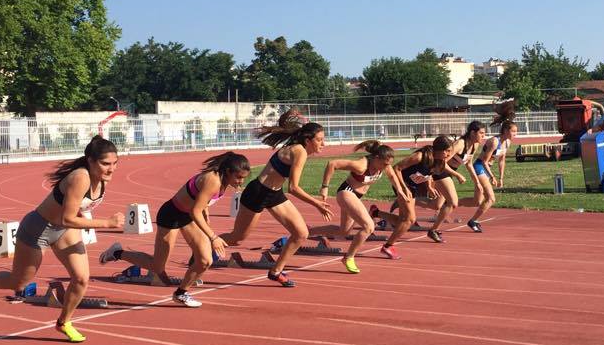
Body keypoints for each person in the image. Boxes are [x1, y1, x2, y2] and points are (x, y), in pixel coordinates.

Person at [0, 136, 123, 343]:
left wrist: (82, 214)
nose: (111, 169)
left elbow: (72, 212)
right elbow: (67, 218)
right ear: (90, 161)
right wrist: (107, 224)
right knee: (19, 282)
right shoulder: (81, 177)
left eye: (115, 164)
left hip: (63, 230)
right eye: (105, 164)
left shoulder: (101, 179)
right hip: (37, 230)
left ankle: (63, 322)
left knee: (82, 279)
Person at [98, 153, 252, 306]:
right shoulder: (213, 180)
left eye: (244, 177)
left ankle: (181, 293)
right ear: (227, 171)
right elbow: (195, 211)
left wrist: (206, 210)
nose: (241, 181)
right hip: (171, 216)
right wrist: (213, 237)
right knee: (157, 266)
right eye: (238, 177)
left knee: (205, 260)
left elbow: (200, 202)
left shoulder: (223, 181)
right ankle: (117, 253)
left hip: (187, 217)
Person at [219, 109, 332, 287]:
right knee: (237, 238)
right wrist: (316, 203)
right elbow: (293, 188)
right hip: (258, 193)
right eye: (319, 140)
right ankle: (205, 247)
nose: (323, 143)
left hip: (274, 193)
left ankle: (276, 271)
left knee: (301, 233)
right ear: (308, 140)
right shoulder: (300, 151)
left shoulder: (300, 150)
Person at [308, 140, 410, 272]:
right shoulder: (361, 165)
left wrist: (401, 191)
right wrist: (325, 187)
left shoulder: (384, 165)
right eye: (384, 164)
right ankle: (349, 257)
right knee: (368, 226)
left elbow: (392, 175)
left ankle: (306, 232)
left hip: (356, 197)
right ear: (376, 158)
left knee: (343, 231)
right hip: (347, 193)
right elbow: (332, 163)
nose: (386, 167)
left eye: (388, 164)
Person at [379, 135, 461, 244]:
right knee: (409, 220)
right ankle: (388, 246)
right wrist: (403, 188)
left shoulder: (438, 160)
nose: (449, 154)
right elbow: (396, 168)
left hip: (412, 187)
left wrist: (429, 187)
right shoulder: (419, 156)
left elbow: (427, 173)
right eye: (447, 151)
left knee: (404, 220)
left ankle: (376, 213)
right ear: (438, 150)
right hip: (402, 185)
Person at [450, 120, 490, 232]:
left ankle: (442, 211)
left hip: (451, 171)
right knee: (435, 204)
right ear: (472, 133)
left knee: (476, 201)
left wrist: (477, 183)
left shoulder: (475, 145)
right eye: (481, 133)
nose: (484, 136)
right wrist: (457, 175)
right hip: (440, 171)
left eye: (484, 133)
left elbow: (468, 163)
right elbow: (441, 162)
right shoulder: (459, 144)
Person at [480, 101, 517, 189]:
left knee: (481, 199)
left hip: (487, 168)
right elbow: (484, 162)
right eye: (513, 131)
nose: (516, 134)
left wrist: (501, 178)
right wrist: (492, 177)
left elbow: (501, 161)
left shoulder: (507, 142)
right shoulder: (494, 142)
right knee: (489, 198)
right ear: (505, 131)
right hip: (480, 167)